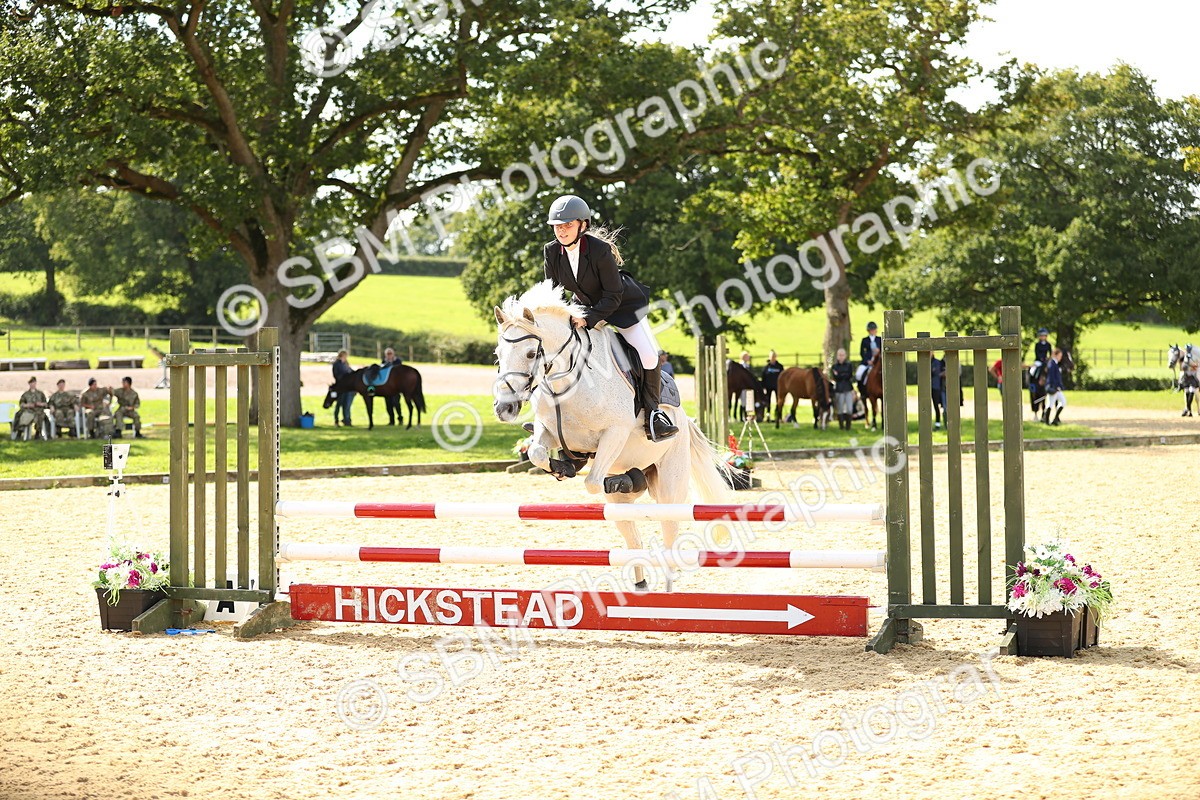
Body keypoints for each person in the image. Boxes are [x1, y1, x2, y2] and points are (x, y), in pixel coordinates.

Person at [542, 194, 677, 441]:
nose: (561, 231)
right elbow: (553, 293)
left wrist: (589, 319)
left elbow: (613, 295)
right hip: (584, 306)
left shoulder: (599, 250)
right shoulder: (551, 251)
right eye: (557, 226)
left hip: (622, 305)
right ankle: (552, 414)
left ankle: (654, 415)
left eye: (567, 225)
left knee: (649, 355)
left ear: (583, 225)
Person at [830, 348, 855, 431]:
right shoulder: (834, 366)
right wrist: (843, 375)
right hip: (839, 389)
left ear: (845, 356)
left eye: (842, 355)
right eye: (839, 355)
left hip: (848, 388)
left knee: (849, 408)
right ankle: (841, 426)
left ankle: (848, 427)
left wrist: (840, 375)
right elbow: (835, 377)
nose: (841, 357)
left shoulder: (849, 365)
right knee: (840, 409)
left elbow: (849, 375)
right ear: (837, 356)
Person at [856, 321, 881, 396]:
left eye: (874, 329)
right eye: (871, 330)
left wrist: (879, 350)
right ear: (868, 331)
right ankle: (862, 392)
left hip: (878, 363)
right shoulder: (865, 340)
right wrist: (867, 361)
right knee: (858, 374)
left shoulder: (879, 339)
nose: (873, 331)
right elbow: (862, 352)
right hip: (867, 362)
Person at [332, 350, 355, 426]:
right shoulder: (337, 364)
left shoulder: (345, 364)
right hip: (341, 387)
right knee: (339, 403)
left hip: (347, 387)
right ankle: (337, 420)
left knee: (347, 404)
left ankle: (347, 419)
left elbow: (350, 371)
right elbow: (337, 375)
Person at [1044, 348, 1066, 425]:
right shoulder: (1052, 363)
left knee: (1063, 402)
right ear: (1055, 355)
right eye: (1059, 356)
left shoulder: (1055, 364)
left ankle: (1055, 419)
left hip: (1057, 388)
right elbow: (1051, 377)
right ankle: (1047, 421)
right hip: (1053, 387)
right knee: (1050, 404)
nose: (1060, 358)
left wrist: (1060, 386)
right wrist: (1055, 386)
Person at [930, 354, 946, 430]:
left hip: (936, 387)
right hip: (930, 387)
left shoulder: (937, 362)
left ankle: (938, 424)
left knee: (938, 406)